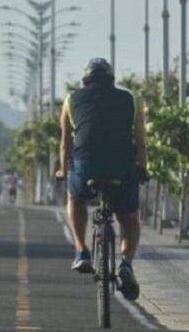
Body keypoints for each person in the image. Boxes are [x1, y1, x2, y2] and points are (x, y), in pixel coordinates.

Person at [55, 58, 147, 301]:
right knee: (129, 218)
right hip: (122, 166)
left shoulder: (71, 100)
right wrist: (143, 169)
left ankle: (81, 250)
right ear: (111, 79)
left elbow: (65, 143)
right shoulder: (131, 99)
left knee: (75, 198)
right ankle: (126, 263)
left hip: (85, 166)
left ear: (85, 80)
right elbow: (140, 142)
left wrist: (63, 171)